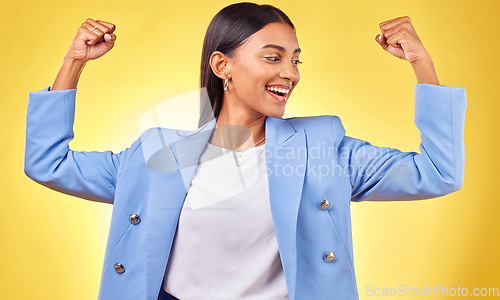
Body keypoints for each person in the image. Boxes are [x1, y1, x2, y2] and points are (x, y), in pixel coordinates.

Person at [24, 2, 466, 300]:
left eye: (295, 59)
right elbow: (49, 163)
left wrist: (421, 65)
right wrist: (73, 63)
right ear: (223, 66)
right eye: (273, 57)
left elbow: (437, 172)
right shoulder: (158, 154)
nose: (290, 73)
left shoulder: (323, 148)